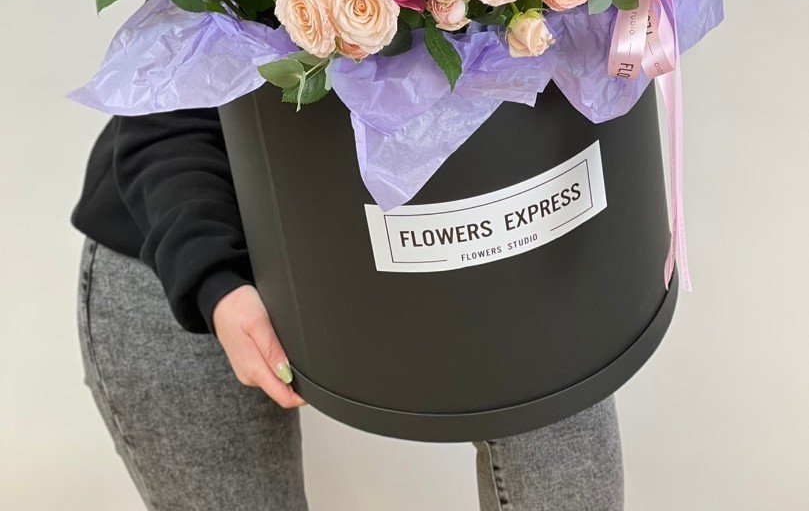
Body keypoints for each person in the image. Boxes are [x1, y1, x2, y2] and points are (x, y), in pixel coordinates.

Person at [73, 108, 625, 511]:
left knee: (563, 453)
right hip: (187, 249)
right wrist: (212, 283)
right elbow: (163, 118)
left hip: (450, 226)